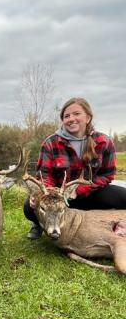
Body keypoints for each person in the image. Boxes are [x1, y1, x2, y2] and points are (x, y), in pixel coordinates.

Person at [24, 97, 126, 239]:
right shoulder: (51, 143)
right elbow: (44, 175)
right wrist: (46, 195)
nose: (71, 119)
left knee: (123, 196)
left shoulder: (104, 141)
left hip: (89, 193)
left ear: (88, 117)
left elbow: (107, 175)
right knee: (29, 207)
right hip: (60, 197)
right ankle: (40, 224)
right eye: (67, 116)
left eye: (76, 114)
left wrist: (80, 190)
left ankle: (114, 221)